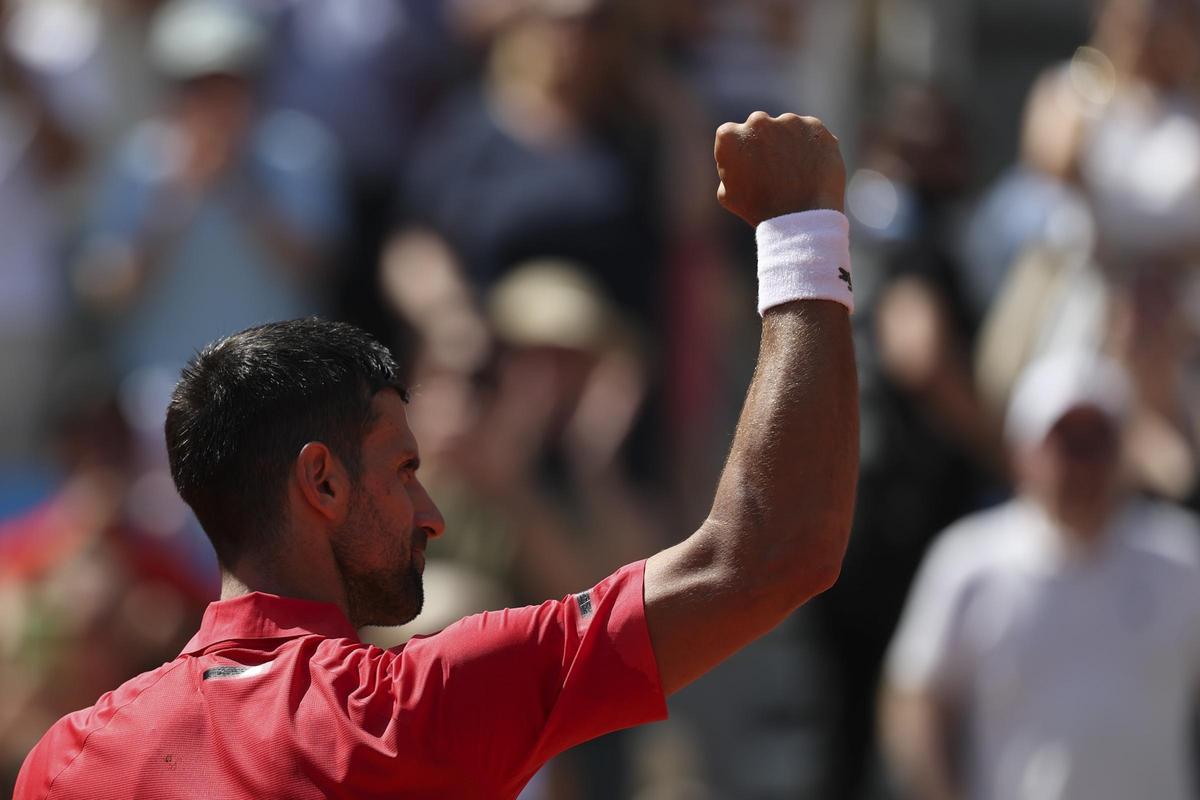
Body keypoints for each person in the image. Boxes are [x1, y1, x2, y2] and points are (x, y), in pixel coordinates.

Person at [15, 111, 859, 799]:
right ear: (322, 481)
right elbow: (773, 554)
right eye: (405, 471)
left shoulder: (65, 762)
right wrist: (802, 234)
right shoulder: (410, 709)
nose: (433, 513)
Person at [880, 350, 1200, 800]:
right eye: (1064, 440)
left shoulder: (1181, 559)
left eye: (1097, 439)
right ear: (1023, 452)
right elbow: (915, 703)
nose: (1081, 462)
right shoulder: (968, 563)